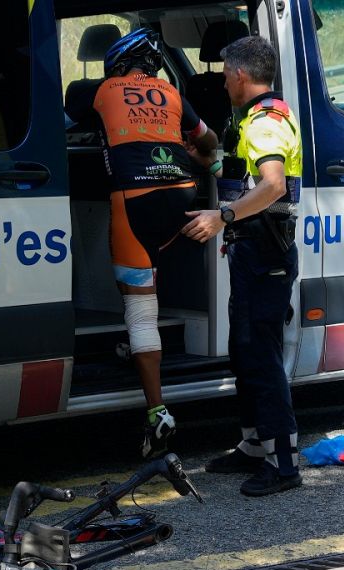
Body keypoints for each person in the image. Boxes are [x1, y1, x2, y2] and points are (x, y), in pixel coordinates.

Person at [70, 27, 218, 458]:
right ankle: (136, 343)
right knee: (151, 278)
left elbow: (65, 119)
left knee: (138, 305)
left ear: (116, 63)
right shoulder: (172, 93)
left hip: (133, 199)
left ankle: (157, 411)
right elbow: (208, 142)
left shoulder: (99, 90)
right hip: (183, 195)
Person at [180, 35, 303, 497]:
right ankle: (255, 445)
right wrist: (209, 166)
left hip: (265, 255)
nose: (224, 79)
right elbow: (247, 179)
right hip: (255, 254)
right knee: (245, 350)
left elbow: (271, 186)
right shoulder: (256, 119)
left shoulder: (264, 124)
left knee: (262, 356)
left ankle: (284, 462)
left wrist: (221, 217)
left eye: (227, 71)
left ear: (241, 75)